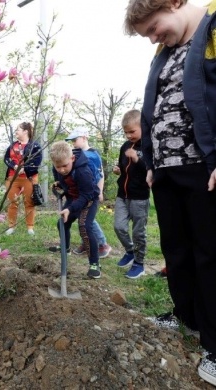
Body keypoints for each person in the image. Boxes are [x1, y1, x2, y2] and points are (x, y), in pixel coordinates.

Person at [124, 0, 216, 385]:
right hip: (165, 172)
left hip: (203, 169)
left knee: (209, 254)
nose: (152, 39)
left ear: (175, 2)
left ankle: (215, 344)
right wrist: (150, 159)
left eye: (153, 28)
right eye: (147, 35)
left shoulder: (213, 29)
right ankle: (187, 317)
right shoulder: (165, 52)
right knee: (176, 250)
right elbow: (154, 109)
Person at [48, 141, 101, 278]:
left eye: (65, 166)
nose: (62, 170)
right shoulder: (58, 167)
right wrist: (59, 185)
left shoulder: (82, 171)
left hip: (88, 199)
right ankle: (65, 248)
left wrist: (70, 209)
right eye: (58, 166)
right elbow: (62, 180)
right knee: (62, 223)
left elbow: (86, 194)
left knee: (84, 226)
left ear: (72, 158)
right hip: (73, 198)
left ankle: (95, 264)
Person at [113, 109, 150, 279]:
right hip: (122, 195)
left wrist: (137, 159)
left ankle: (139, 263)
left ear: (142, 126)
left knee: (138, 232)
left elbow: (151, 170)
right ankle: (130, 251)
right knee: (119, 226)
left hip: (139, 197)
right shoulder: (125, 146)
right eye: (126, 132)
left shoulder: (148, 146)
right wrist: (118, 170)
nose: (128, 135)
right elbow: (123, 167)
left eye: (132, 131)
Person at [65, 127, 112, 259]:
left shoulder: (91, 154)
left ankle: (102, 244)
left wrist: (100, 191)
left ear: (84, 138)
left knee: (87, 221)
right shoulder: (79, 154)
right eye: (72, 141)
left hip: (89, 192)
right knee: (83, 218)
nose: (73, 143)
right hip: (79, 192)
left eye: (75, 140)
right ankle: (86, 243)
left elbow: (100, 174)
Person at [3, 122, 42, 236]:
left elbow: (37, 161)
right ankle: (11, 227)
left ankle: (30, 228)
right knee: (12, 202)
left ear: (25, 131)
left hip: (28, 178)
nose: (16, 132)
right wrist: (14, 166)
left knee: (29, 202)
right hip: (12, 178)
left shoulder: (35, 146)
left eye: (18, 130)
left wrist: (25, 168)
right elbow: (6, 158)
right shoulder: (12, 146)